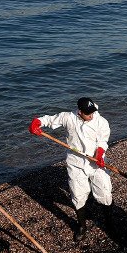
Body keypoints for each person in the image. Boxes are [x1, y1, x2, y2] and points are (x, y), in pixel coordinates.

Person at [29, 97, 112, 241]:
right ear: (79, 112)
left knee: (104, 191)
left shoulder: (101, 121)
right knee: (78, 195)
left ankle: (109, 223)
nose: (91, 115)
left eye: (92, 112)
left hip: (96, 162)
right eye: (87, 113)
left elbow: (103, 140)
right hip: (76, 163)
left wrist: (99, 153)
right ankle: (82, 226)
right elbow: (49, 120)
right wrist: (37, 123)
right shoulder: (68, 118)